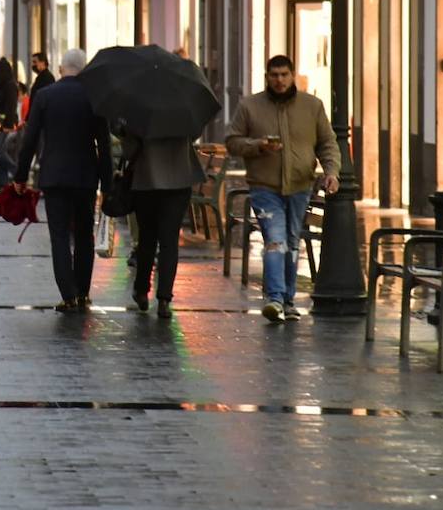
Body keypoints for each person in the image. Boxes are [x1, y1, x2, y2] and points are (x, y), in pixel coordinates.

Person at [226, 54, 340, 323]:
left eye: (284, 75)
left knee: (291, 242)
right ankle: (275, 298)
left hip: (300, 186)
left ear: (292, 76)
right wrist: (258, 146)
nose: (279, 80)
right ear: (267, 77)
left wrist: (331, 172)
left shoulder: (312, 106)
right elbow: (232, 141)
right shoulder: (250, 106)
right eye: (274, 75)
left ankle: (287, 300)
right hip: (264, 187)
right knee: (275, 240)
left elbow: (327, 143)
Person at [13, 49, 112, 313]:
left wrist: (20, 177)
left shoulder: (45, 96)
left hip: (54, 177)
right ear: (85, 68)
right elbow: (104, 144)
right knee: (83, 236)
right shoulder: (94, 97)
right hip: (85, 177)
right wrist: (108, 183)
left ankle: (67, 294)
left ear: (61, 68)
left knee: (58, 236)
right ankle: (82, 293)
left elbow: (30, 140)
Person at [123, 131, 206, 318]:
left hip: (147, 181)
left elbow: (129, 152)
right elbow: (193, 135)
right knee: (169, 241)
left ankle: (142, 290)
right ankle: (164, 299)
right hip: (179, 181)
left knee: (147, 238)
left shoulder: (140, 110)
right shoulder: (184, 109)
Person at [0, 57, 20, 187]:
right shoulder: (1, 84)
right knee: (1, 151)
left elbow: (11, 107)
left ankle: (17, 172)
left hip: (6, 123)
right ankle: (2, 181)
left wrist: (8, 126)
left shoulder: (11, 86)